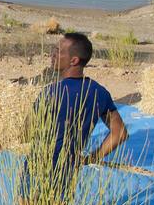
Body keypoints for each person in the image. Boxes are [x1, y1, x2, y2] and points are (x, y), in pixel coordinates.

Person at [38, 32, 129, 170]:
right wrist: (91, 158)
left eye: (58, 51)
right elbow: (120, 133)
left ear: (74, 60)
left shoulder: (51, 92)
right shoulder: (100, 92)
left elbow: (27, 132)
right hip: (70, 169)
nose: (53, 55)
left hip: (39, 167)